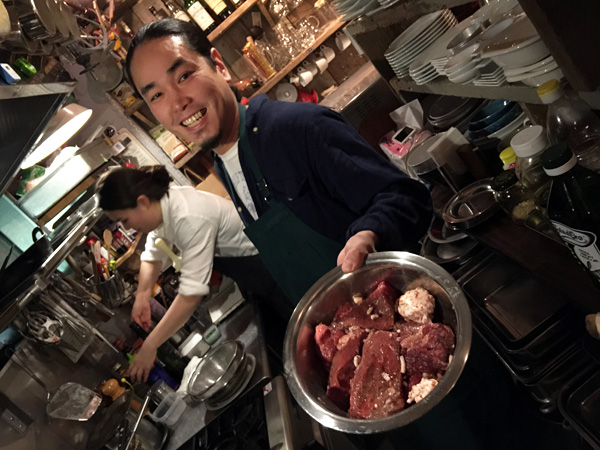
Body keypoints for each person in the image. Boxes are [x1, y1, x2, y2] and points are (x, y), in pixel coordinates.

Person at [124, 19, 433, 305]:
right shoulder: (223, 164)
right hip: (342, 327)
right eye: (156, 96)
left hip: (403, 308)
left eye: (184, 76)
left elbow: (406, 197)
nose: (177, 102)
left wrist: (369, 233)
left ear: (219, 65)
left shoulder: (296, 128)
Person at [97, 166, 280, 382]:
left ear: (142, 202)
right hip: (245, 268)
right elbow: (153, 254)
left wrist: (150, 345)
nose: (126, 228)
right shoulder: (163, 206)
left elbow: (190, 295)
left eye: (124, 220)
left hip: (266, 264)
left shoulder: (188, 217)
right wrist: (142, 296)